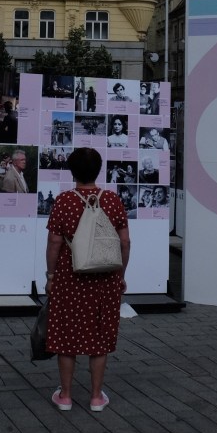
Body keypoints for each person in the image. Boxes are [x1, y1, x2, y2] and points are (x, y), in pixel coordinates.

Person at [45, 147, 130, 412]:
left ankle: (65, 396)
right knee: (100, 338)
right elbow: (124, 242)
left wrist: (50, 276)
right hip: (106, 279)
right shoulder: (112, 200)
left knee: (66, 337)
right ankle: (95, 397)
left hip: (70, 278)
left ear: (72, 172)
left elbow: (55, 242)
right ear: (99, 170)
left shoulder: (64, 201)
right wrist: (121, 275)